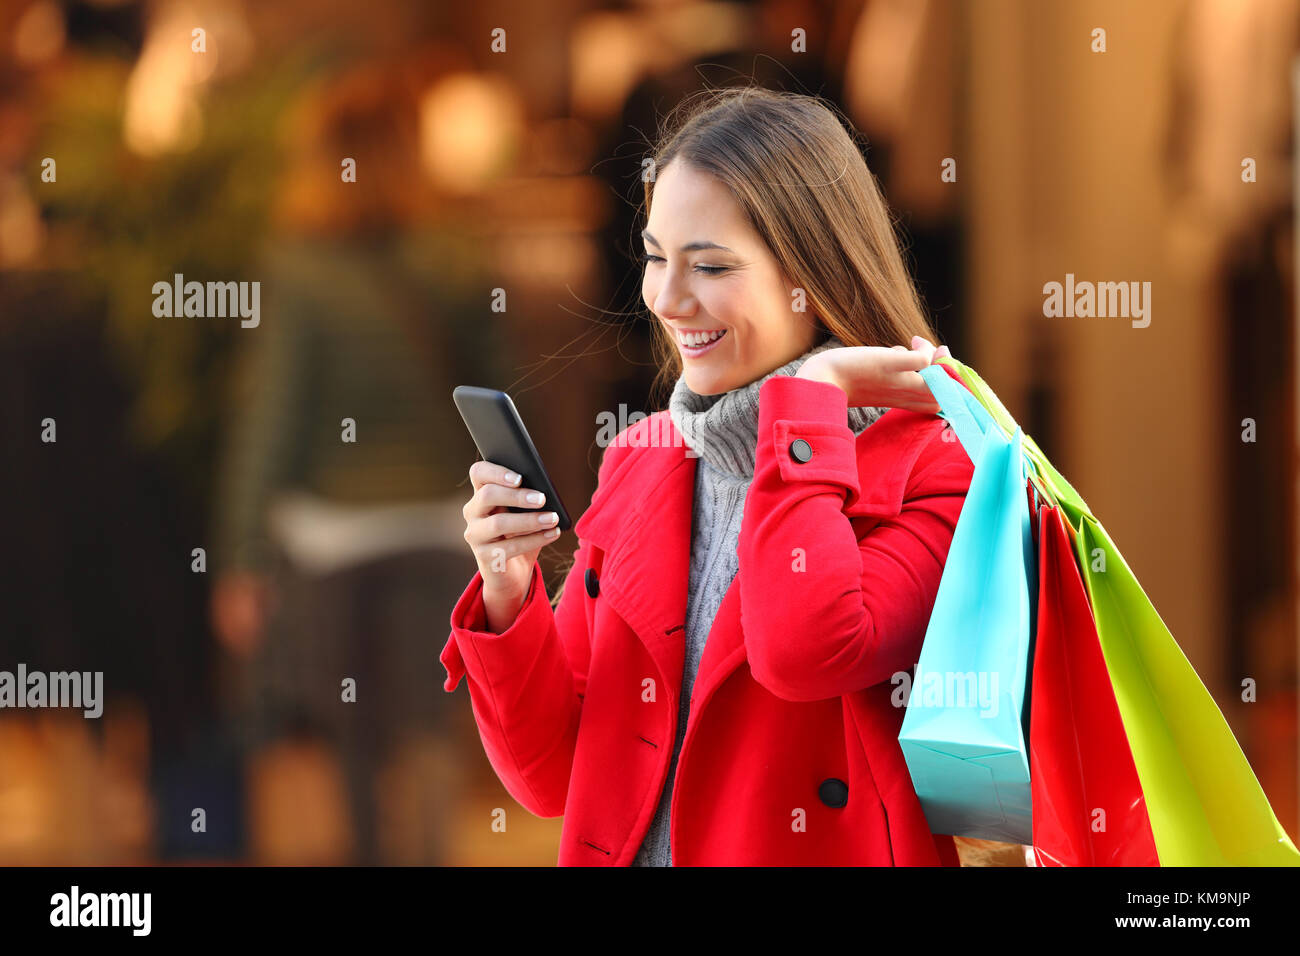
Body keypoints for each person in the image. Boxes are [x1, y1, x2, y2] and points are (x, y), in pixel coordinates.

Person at [442, 86, 975, 866]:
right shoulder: (644, 457)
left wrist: (813, 401)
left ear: (815, 273)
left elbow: (806, 651)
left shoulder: (931, 463)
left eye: (712, 265)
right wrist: (509, 591)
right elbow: (555, 780)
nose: (665, 298)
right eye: (656, 256)